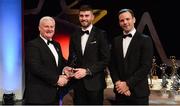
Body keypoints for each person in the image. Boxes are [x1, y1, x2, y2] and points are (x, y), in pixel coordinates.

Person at [66, 5, 110, 105]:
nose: (84, 18)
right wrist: (69, 68)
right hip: (78, 85)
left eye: (87, 15)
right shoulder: (74, 35)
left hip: (95, 84)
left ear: (92, 17)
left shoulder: (101, 34)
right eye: (81, 16)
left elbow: (105, 59)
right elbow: (72, 57)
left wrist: (87, 71)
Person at [109, 9, 153, 105]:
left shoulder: (145, 40)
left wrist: (127, 85)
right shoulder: (116, 40)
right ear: (119, 23)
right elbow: (112, 65)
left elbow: (146, 66)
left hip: (139, 94)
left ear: (134, 20)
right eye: (122, 20)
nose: (125, 22)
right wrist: (118, 83)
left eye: (128, 19)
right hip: (120, 93)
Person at [24, 16, 69, 104]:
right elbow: (35, 67)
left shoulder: (56, 44)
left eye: (52, 27)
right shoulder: (33, 45)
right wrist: (57, 79)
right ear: (39, 28)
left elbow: (60, 62)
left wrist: (65, 68)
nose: (49, 29)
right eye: (46, 26)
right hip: (38, 97)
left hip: (54, 95)